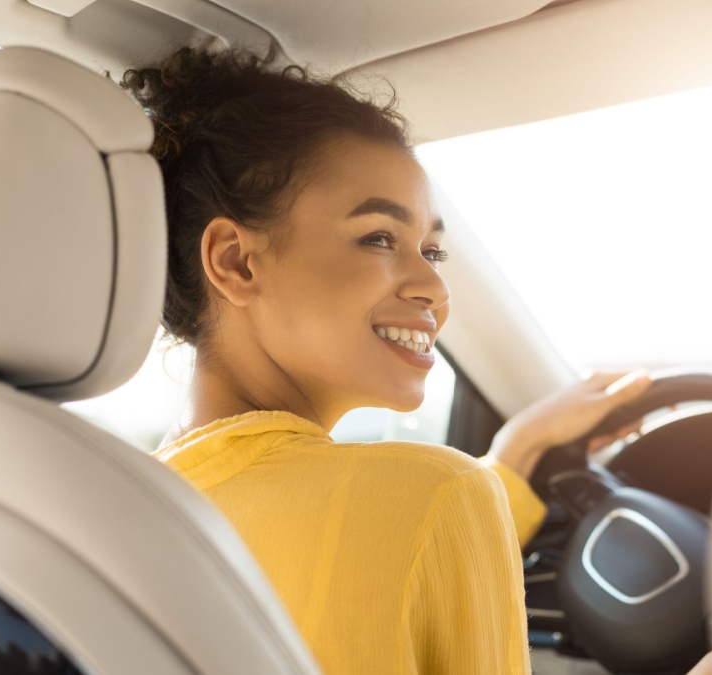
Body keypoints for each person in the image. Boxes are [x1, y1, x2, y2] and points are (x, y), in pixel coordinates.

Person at [122, 46, 654, 673]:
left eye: (432, 250)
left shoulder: (125, 515)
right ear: (236, 261)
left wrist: (515, 454)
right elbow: (399, 529)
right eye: (379, 237)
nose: (434, 288)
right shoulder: (439, 496)